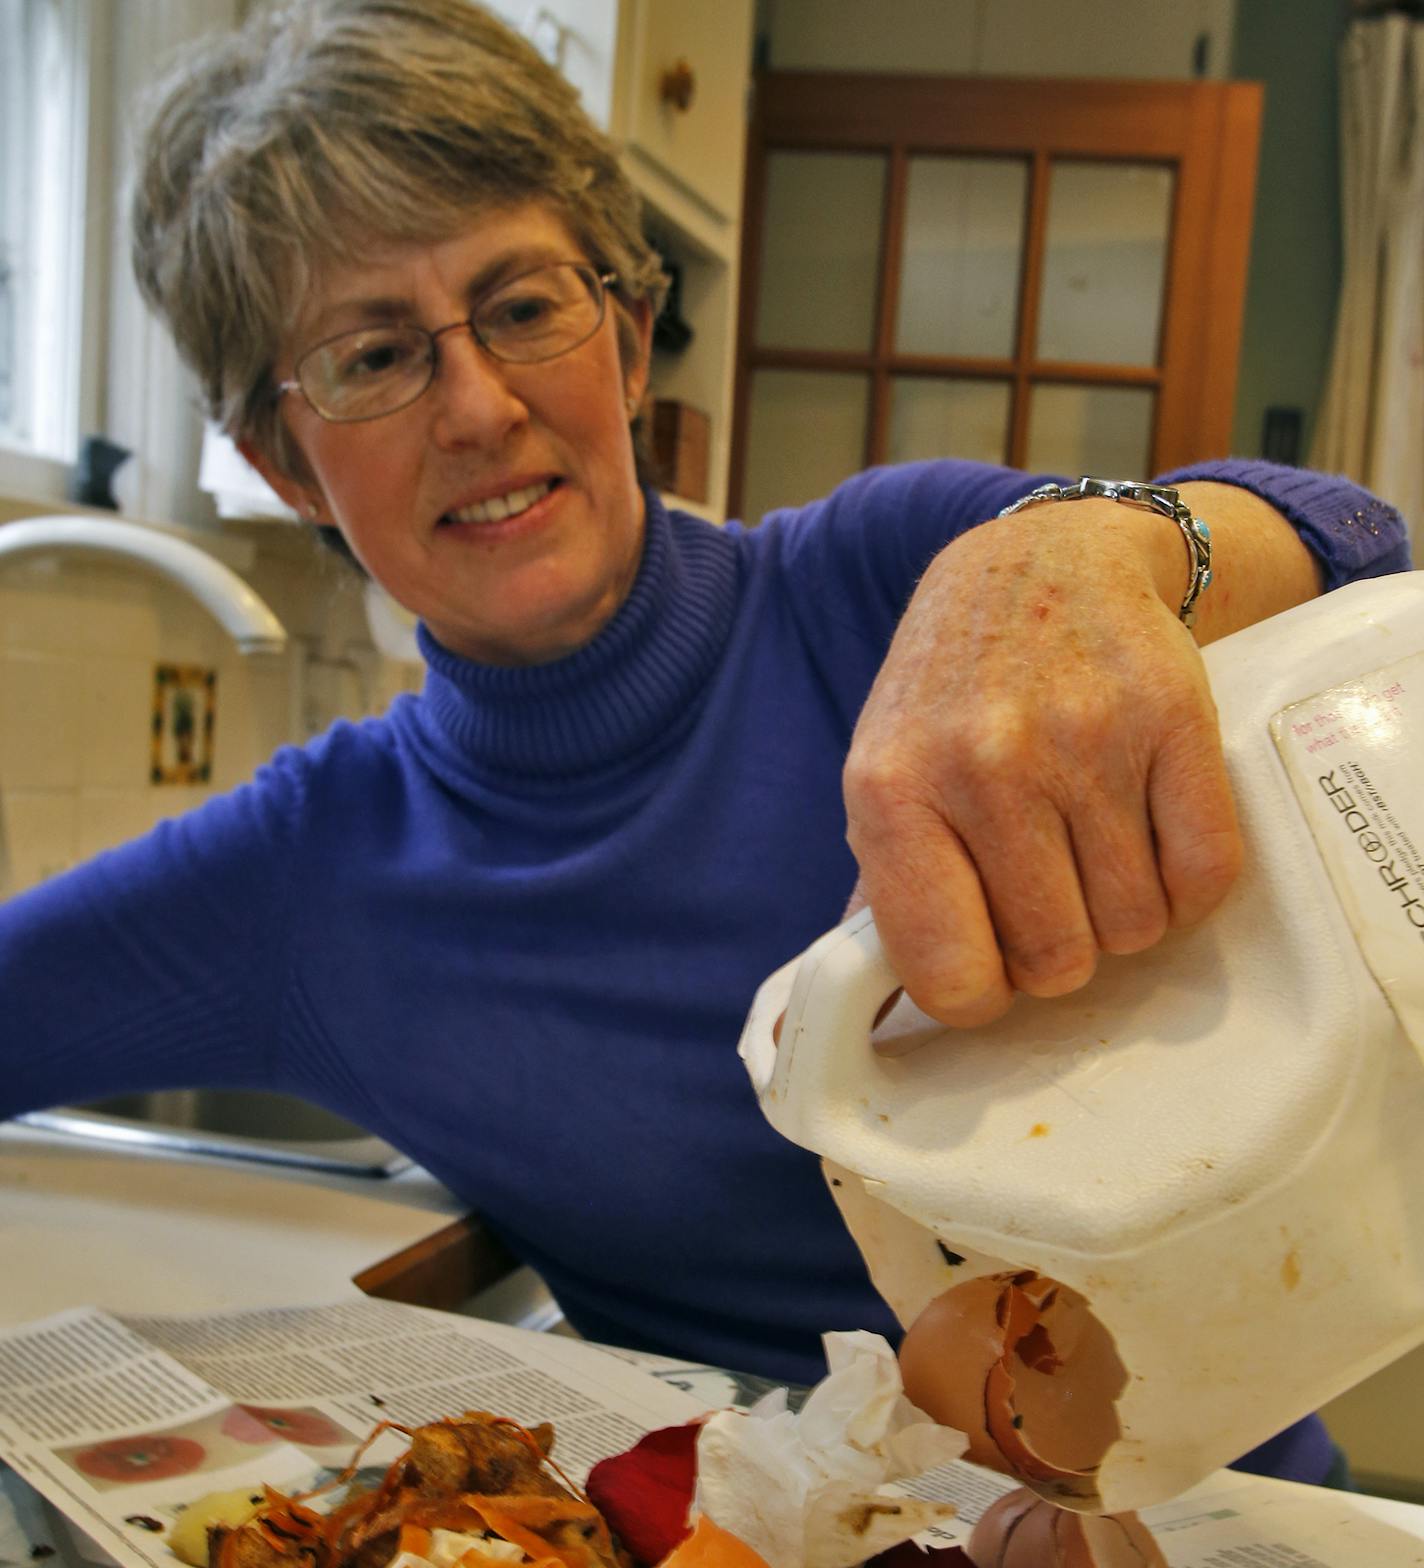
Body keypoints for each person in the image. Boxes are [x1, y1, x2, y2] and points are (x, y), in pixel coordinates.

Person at [0, 0, 1408, 1487]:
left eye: (525, 305)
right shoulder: (307, 875)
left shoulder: (891, 585)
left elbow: (1362, 562)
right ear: (290, 464)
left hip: (1234, 1536)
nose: (477, 407)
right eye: (370, 356)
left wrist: (1093, 553)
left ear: (621, 331)